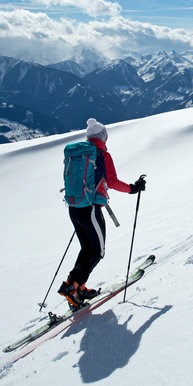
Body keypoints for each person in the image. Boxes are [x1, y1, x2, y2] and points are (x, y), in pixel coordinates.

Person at [58, 118, 146, 308]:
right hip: (90, 209)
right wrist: (133, 188)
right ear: (103, 138)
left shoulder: (81, 154)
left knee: (86, 249)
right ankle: (71, 286)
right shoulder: (102, 156)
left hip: (75, 208)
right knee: (98, 251)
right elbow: (112, 182)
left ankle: (78, 287)